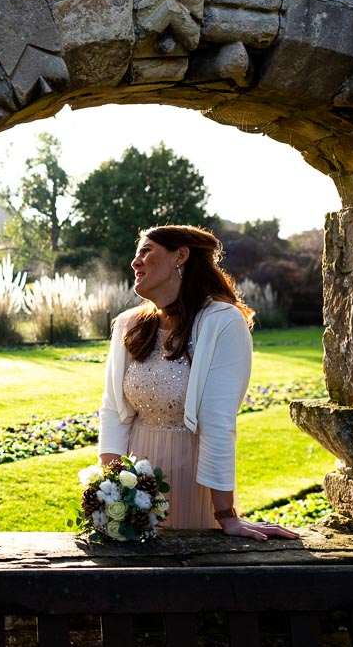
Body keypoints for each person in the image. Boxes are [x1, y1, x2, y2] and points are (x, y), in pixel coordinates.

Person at [97, 225, 298, 541]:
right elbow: (112, 411)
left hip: (192, 478)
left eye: (146, 251)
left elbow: (217, 422)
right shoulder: (128, 324)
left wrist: (226, 516)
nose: (135, 262)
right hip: (136, 482)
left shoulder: (223, 322)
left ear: (180, 256)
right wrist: (111, 492)